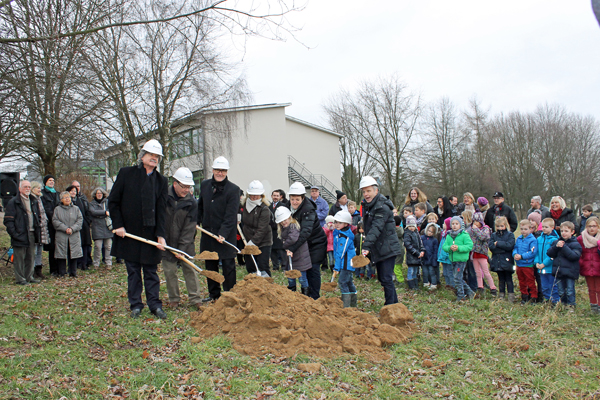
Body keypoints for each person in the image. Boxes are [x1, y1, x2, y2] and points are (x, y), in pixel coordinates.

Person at [109, 139, 169, 319]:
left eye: (157, 156)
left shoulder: (161, 181)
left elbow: (162, 211)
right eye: (151, 155)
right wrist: (118, 225)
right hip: (130, 233)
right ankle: (135, 304)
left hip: (150, 234)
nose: (154, 158)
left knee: (151, 271)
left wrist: (161, 235)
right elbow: (113, 202)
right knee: (133, 271)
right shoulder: (126, 174)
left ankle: (155, 305)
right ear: (142, 156)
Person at [196, 156, 240, 303]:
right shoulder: (205, 185)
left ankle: (229, 295)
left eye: (223, 170)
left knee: (228, 265)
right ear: (213, 170)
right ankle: (214, 294)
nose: (220, 173)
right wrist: (196, 221)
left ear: (226, 172)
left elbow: (231, 214)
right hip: (209, 233)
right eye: (217, 170)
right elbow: (200, 206)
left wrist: (223, 233)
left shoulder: (233, 189)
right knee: (210, 265)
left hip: (225, 235)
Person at [162, 167, 201, 309]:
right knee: (170, 271)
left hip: (186, 244)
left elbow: (189, 228)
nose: (186, 190)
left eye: (189, 187)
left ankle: (195, 298)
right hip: (166, 242)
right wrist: (161, 239)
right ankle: (174, 299)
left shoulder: (191, 203)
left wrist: (182, 249)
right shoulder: (163, 197)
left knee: (190, 270)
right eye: (183, 187)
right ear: (175, 184)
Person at [360, 176, 402, 304]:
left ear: (376, 191)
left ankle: (391, 305)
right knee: (384, 279)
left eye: (368, 191)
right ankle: (393, 304)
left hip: (387, 247)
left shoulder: (382, 207)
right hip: (379, 247)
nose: (366, 194)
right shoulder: (369, 205)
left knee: (386, 278)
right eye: (364, 191)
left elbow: (376, 228)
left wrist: (366, 246)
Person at [287, 182, 327, 300]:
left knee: (313, 269)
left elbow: (305, 233)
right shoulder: (287, 207)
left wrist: (292, 248)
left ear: (303, 198)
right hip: (304, 244)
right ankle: (304, 295)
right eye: (292, 199)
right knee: (302, 268)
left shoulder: (308, 210)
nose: (294, 202)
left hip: (316, 243)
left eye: (297, 199)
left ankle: (314, 297)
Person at [4, 180, 42, 285]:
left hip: (32, 233)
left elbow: (37, 216)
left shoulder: (33, 200)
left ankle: (29, 276)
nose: (27, 189)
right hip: (20, 234)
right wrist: (15, 234)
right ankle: (20, 279)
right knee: (19, 258)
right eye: (25, 186)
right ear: (20, 189)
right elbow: (8, 220)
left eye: (29, 187)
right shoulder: (13, 202)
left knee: (31, 256)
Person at [241, 180, 273, 277]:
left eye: (257, 195)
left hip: (263, 242)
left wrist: (252, 243)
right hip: (247, 240)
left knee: (263, 267)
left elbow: (262, 229)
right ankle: (253, 287)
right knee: (251, 267)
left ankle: (267, 288)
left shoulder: (264, 209)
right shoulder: (243, 205)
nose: (254, 197)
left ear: (261, 195)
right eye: (252, 194)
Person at [547, 221, 582, 309]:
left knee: (570, 290)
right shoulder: (556, 242)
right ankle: (564, 304)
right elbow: (550, 253)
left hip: (570, 272)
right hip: (559, 271)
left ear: (572, 232)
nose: (564, 233)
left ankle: (571, 306)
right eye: (562, 231)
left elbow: (574, 256)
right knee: (561, 291)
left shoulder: (575, 244)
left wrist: (564, 247)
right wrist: (556, 247)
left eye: (566, 231)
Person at [276, 207, 311, 295]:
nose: (284, 222)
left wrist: (284, 245)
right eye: (281, 221)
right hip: (291, 257)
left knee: (302, 278)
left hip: (300, 256)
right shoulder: (284, 228)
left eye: (285, 220)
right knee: (290, 277)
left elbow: (292, 238)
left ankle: (305, 295)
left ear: (290, 217)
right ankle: (292, 293)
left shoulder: (293, 226)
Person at [443, 216, 475, 302]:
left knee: (457, 278)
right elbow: (444, 246)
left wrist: (459, 248)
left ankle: (461, 296)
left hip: (461, 260)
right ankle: (470, 292)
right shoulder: (449, 235)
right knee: (457, 278)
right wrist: (450, 247)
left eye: (456, 224)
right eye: (453, 224)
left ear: (460, 225)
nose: (454, 225)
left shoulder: (464, 235)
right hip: (453, 259)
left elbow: (469, 246)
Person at [53, 191, 84, 277]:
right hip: (61, 235)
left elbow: (80, 220)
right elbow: (55, 221)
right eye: (65, 197)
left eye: (69, 197)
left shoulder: (76, 209)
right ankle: (62, 272)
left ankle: (73, 272)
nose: (67, 199)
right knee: (61, 254)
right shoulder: (57, 209)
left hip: (74, 235)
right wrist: (65, 228)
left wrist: (72, 229)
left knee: (73, 253)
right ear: (61, 199)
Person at [332, 210, 357, 307]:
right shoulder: (339, 233)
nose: (337, 224)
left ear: (346, 223)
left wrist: (336, 267)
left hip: (346, 264)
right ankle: (353, 304)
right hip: (344, 263)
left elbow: (340, 253)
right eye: (336, 222)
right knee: (348, 282)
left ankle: (346, 306)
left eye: (340, 222)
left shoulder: (344, 237)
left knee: (342, 282)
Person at [467, 212, 496, 297]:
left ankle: (492, 287)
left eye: (477, 221)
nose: (475, 223)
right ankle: (480, 287)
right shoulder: (471, 230)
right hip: (475, 254)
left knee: (486, 272)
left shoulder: (485, 229)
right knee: (477, 272)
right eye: (474, 221)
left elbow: (483, 237)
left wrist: (476, 230)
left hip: (482, 253)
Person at [576, 216, 600, 314]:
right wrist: (581, 262)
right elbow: (577, 250)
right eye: (589, 226)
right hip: (587, 267)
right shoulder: (581, 238)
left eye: (594, 226)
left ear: (598, 227)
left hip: (598, 267)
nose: (592, 228)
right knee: (591, 289)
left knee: (599, 288)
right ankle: (593, 306)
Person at [489, 216, 516, 302]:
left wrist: (498, 244)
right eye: (498, 226)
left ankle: (511, 294)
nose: (500, 228)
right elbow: (491, 246)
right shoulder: (493, 235)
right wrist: (501, 247)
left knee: (508, 278)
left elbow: (510, 246)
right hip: (497, 260)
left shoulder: (510, 235)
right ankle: (501, 294)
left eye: (501, 226)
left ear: (505, 225)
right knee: (501, 279)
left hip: (507, 260)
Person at [534, 218, 560, 304]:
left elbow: (553, 255)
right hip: (541, 268)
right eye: (543, 227)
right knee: (544, 285)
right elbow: (536, 252)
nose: (544, 229)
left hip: (550, 268)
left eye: (546, 227)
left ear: (552, 227)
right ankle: (547, 300)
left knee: (553, 285)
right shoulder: (539, 239)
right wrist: (537, 262)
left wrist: (544, 264)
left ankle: (555, 301)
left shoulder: (555, 240)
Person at [513, 219, 538, 305]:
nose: (523, 231)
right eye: (522, 229)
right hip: (519, 264)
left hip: (528, 264)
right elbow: (515, 247)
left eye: (525, 229)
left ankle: (533, 297)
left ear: (530, 229)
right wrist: (515, 254)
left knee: (530, 281)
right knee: (521, 281)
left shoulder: (533, 240)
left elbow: (533, 252)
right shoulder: (519, 239)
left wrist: (522, 256)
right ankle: (524, 296)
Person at [88, 188, 113, 268]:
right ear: (95, 194)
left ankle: (108, 262)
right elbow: (93, 212)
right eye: (98, 193)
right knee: (97, 246)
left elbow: (111, 211)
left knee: (108, 246)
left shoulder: (107, 202)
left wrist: (101, 214)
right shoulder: (91, 204)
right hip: (97, 227)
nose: (99, 195)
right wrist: (104, 212)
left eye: (101, 193)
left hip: (107, 227)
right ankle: (96, 263)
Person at [41, 175, 60, 276]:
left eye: (53, 180)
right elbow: (45, 209)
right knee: (52, 248)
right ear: (45, 182)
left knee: (59, 246)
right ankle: (53, 269)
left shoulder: (57, 193)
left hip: (59, 224)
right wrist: (55, 217)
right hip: (50, 224)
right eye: (49, 180)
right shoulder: (43, 194)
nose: (52, 182)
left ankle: (59, 268)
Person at [71, 181, 93, 270]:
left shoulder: (83, 198)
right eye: (74, 187)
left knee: (86, 245)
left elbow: (87, 210)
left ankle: (85, 262)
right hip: (74, 226)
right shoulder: (70, 199)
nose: (76, 188)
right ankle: (77, 263)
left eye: (78, 186)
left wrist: (88, 221)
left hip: (84, 225)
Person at [30, 181, 50, 280]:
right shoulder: (31, 200)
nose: (39, 190)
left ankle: (39, 270)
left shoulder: (39, 199)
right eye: (37, 188)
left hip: (42, 228)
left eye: (39, 188)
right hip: (35, 229)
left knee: (39, 251)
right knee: (34, 251)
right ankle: (32, 271)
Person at [403, 215, 424, 291]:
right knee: (411, 271)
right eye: (410, 226)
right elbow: (408, 245)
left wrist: (422, 250)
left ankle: (415, 284)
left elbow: (420, 242)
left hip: (418, 256)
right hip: (412, 256)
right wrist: (416, 252)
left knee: (416, 270)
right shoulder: (407, 234)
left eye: (413, 226)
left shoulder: (416, 233)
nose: (411, 228)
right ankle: (411, 285)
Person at [269, 189, 288, 271]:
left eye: (277, 196)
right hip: (270, 231)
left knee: (281, 249)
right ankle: (275, 266)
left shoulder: (283, 206)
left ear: (280, 197)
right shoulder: (268, 206)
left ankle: (284, 266)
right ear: (271, 196)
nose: (275, 197)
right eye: (274, 195)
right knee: (272, 250)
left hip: (279, 230)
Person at [421, 223, 439, 291]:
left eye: (432, 232)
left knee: (432, 272)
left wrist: (434, 260)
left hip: (431, 259)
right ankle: (425, 282)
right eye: (429, 231)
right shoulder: (422, 238)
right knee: (425, 272)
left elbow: (435, 251)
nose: (429, 233)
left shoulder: (434, 240)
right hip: (424, 258)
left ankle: (434, 283)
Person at [438, 218, 454, 290]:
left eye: (444, 223)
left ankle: (452, 285)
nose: (443, 225)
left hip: (448, 257)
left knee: (450, 272)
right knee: (445, 272)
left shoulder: (449, 235)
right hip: (443, 256)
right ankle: (447, 284)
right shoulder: (443, 233)